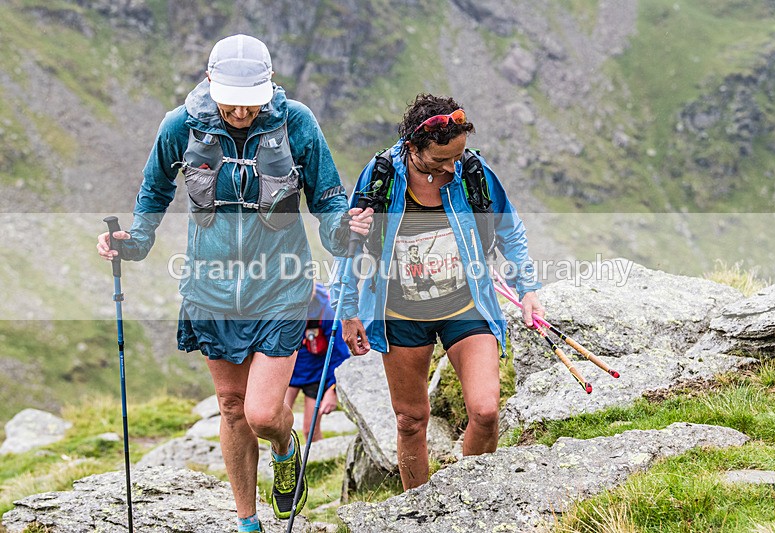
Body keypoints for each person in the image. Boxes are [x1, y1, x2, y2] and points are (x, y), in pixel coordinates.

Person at [96, 34, 372, 531]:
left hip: (281, 289)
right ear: (209, 82)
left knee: (264, 414)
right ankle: (247, 522)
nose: (242, 113)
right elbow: (153, 191)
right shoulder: (179, 126)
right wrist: (131, 242)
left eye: (251, 103)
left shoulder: (297, 123)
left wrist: (343, 229)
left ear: (267, 89)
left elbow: (329, 201)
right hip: (211, 289)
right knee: (230, 406)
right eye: (232, 102)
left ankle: (286, 450)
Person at [335, 93, 544, 491]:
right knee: (410, 420)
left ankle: (471, 497)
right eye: (440, 160)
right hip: (399, 313)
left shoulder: (472, 171)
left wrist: (528, 289)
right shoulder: (380, 177)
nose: (452, 166)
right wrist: (348, 311)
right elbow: (350, 245)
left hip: (467, 305)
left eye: (457, 156)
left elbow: (510, 231)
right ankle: (422, 510)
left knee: (485, 411)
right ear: (412, 147)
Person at [284, 282, 350, 442]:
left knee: (310, 431)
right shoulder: (282, 304)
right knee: (277, 423)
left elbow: (339, 355)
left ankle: (315, 464)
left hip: (317, 375)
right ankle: (285, 464)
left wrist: (332, 389)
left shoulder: (327, 310)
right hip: (289, 372)